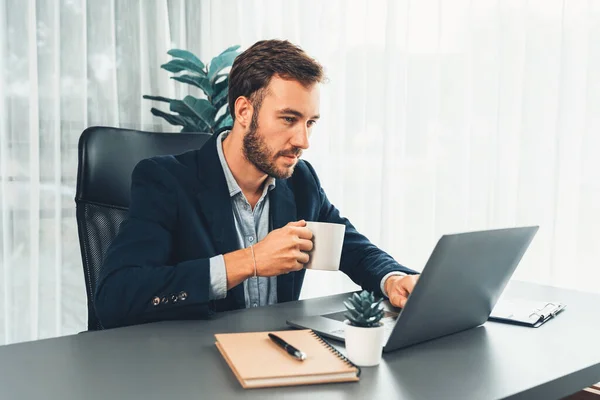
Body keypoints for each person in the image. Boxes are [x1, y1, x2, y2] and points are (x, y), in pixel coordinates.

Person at [95, 39, 419, 329]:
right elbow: (116, 297)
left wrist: (393, 279)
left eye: (310, 123)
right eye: (289, 119)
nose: (303, 140)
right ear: (244, 111)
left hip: (275, 363)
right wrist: (249, 261)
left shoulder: (301, 182)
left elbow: (352, 248)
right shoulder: (165, 181)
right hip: (192, 370)